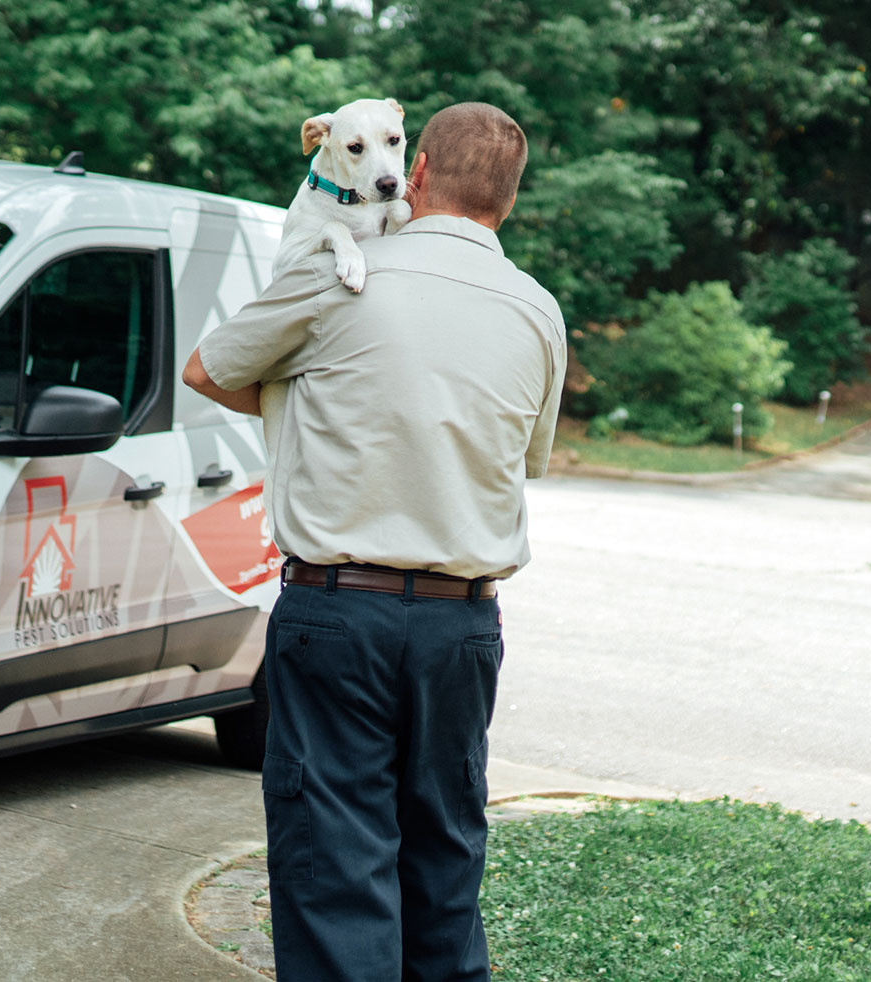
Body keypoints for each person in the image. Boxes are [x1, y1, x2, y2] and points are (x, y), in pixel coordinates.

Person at [181, 102, 565, 981]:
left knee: (334, 867)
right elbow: (524, 456)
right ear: (507, 200)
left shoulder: (336, 272)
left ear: (417, 168)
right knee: (445, 859)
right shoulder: (538, 311)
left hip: (337, 613)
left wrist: (307, 405)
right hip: (462, 627)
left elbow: (209, 369)